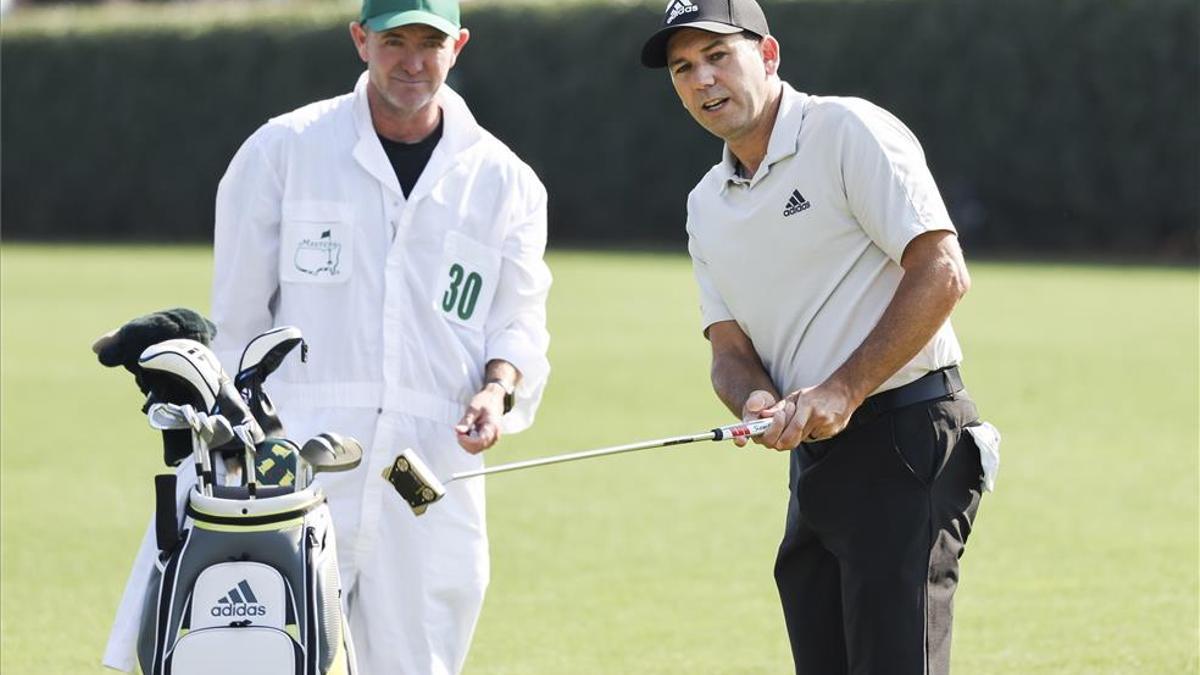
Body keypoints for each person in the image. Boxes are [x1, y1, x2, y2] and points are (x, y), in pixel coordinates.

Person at [102, 0, 552, 672]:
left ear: (458, 45)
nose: (412, 60)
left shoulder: (505, 181)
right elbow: (239, 321)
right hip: (293, 459)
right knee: (266, 655)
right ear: (359, 40)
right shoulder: (284, 150)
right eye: (394, 39)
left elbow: (519, 321)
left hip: (428, 474)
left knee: (418, 660)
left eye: (429, 41)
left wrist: (497, 389)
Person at [640, 1, 998, 673]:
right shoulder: (706, 202)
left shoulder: (844, 130)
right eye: (683, 68)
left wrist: (843, 388)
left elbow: (942, 270)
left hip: (908, 435)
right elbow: (729, 350)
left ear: (768, 56)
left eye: (718, 56)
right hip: (817, 464)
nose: (701, 80)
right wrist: (752, 399)